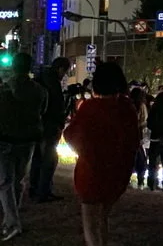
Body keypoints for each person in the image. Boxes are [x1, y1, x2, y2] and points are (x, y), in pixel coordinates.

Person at [64, 62, 139, 246]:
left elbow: (70, 134)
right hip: (118, 172)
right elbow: (133, 140)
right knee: (103, 217)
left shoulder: (90, 107)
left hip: (92, 171)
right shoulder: (127, 107)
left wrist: (84, 151)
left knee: (90, 222)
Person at [0, 53, 48, 240]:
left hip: (5, 139)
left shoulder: (5, 89)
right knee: (18, 180)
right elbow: (42, 111)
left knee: (5, 182)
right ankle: (13, 216)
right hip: (28, 139)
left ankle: (12, 223)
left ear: (13, 67)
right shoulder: (40, 91)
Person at [29, 57, 70, 203]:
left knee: (38, 158)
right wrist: (60, 121)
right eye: (65, 71)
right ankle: (43, 191)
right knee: (49, 158)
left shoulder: (41, 79)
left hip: (38, 124)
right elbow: (57, 106)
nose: (64, 75)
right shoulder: (52, 82)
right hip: (49, 125)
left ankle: (35, 189)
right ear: (60, 68)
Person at [129, 88, 149, 188]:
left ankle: (127, 179)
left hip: (129, 135)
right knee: (141, 159)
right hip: (139, 135)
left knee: (130, 158)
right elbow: (144, 121)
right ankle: (140, 181)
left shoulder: (128, 105)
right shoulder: (141, 106)